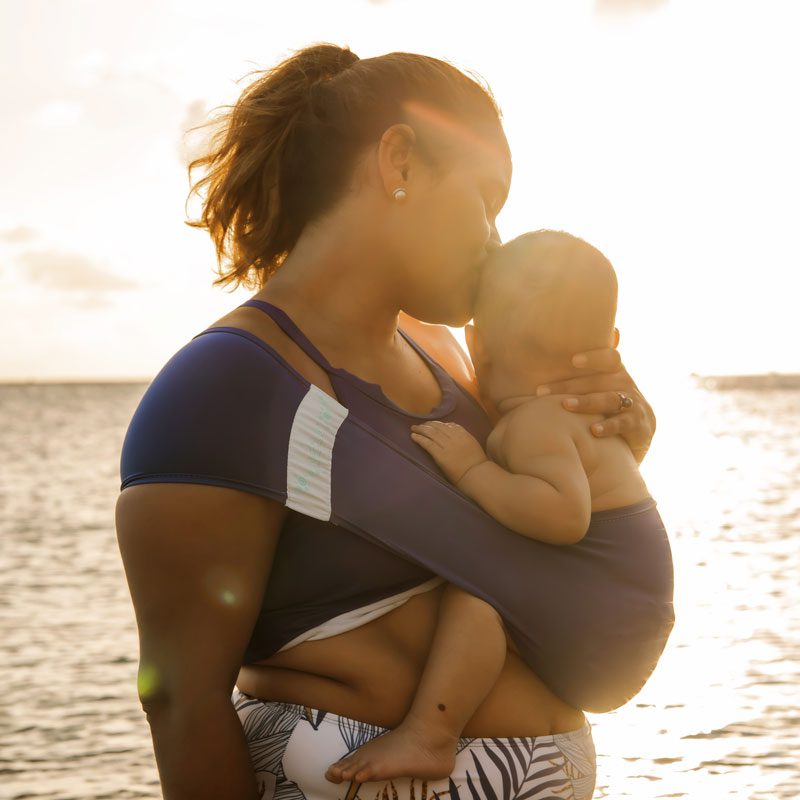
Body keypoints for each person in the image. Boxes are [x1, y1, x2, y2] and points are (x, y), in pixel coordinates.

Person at [115, 44, 657, 800]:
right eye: (486, 200)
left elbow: (548, 512)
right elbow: (179, 698)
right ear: (399, 162)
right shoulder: (225, 386)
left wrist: (624, 423)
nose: (496, 241)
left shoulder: (449, 361)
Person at [324, 229, 665, 784]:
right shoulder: (586, 417)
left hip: (609, 609)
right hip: (628, 620)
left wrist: (473, 470)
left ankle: (430, 734)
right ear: (612, 342)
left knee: (478, 597)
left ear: (476, 344)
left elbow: (562, 514)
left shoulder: (536, 423)